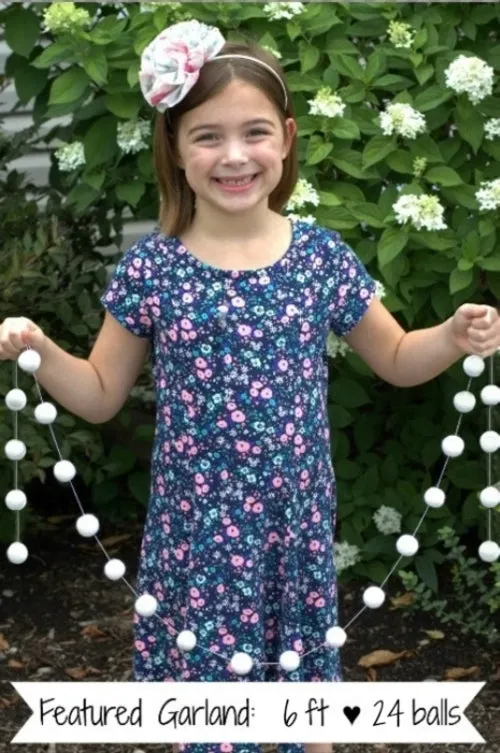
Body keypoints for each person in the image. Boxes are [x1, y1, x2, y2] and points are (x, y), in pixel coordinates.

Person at [1, 18, 499, 753]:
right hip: (195, 533)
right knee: (205, 714)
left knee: (304, 710)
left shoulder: (319, 258)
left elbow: (395, 356)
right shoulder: (154, 270)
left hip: (291, 526)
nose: (234, 155)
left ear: (288, 137)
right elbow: (103, 391)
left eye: (255, 132)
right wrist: (40, 349)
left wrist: (453, 337)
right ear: (173, 145)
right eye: (207, 136)